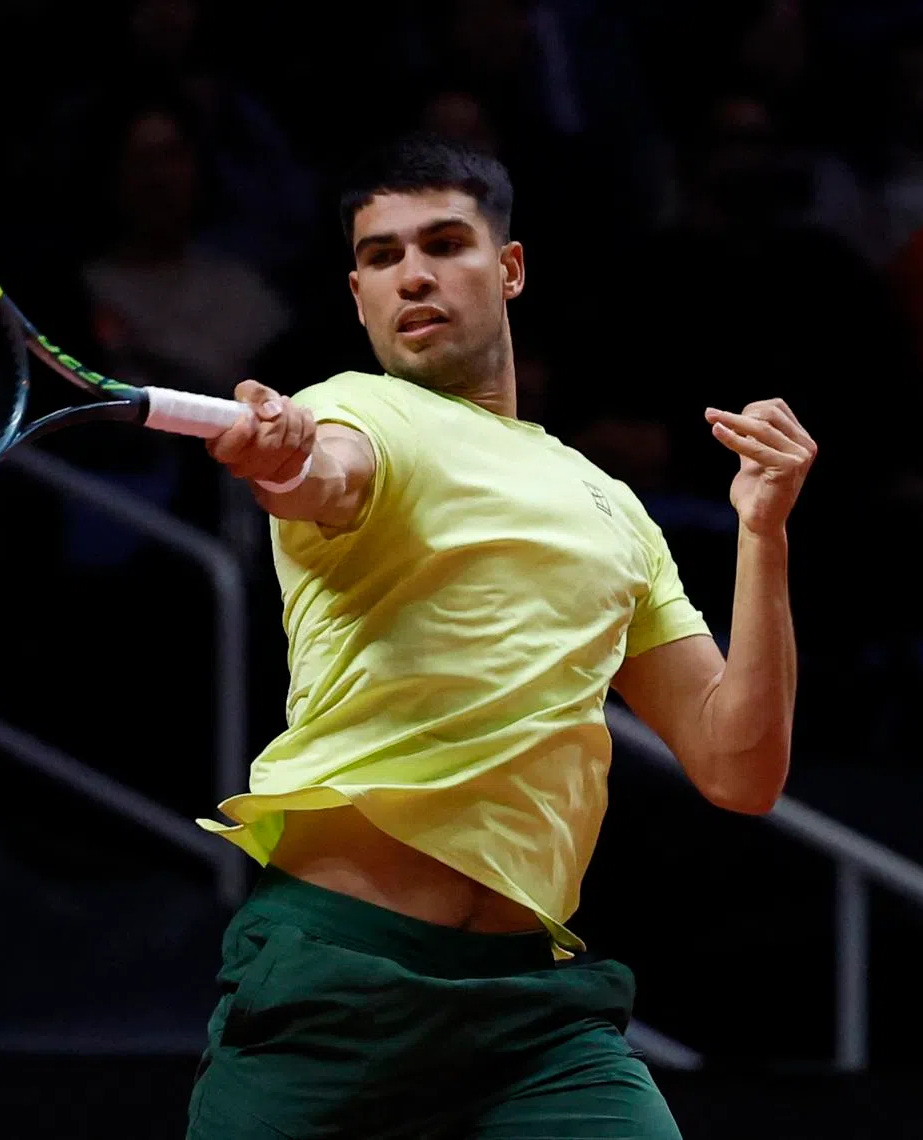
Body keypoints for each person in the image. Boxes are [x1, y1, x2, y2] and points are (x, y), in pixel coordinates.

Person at [187, 134, 816, 1139]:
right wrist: (283, 459)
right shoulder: (354, 411)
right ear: (357, 297)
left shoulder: (609, 506)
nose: (415, 274)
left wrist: (764, 532)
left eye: (444, 243)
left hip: (532, 1019)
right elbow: (324, 474)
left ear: (509, 267)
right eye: (383, 257)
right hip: (337, 990)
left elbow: (739, 769)